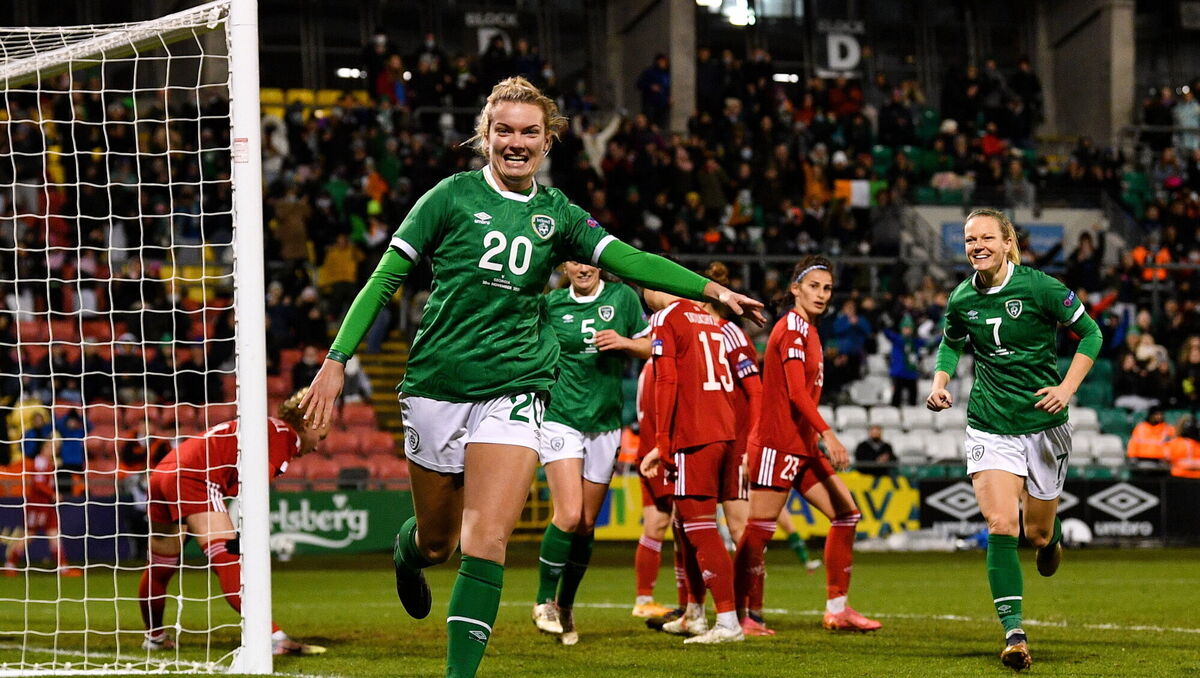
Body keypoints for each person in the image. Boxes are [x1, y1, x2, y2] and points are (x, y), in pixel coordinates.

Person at [300, 76, 763, 678]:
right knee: (440, 541)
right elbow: (383, 281)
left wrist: (713, 287)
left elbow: (629, 259)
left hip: (517, 383)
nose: (516, 142)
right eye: (505, 131)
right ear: (484, 135)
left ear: (547, 142)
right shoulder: (448, 197)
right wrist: (336, 360)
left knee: (485, 539)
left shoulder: (559, 214)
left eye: (530, 133)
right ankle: (409, 553)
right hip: (438, 383)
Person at [925, 208, 1101, 671]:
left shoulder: (1040, 287)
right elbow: (951, 340)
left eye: (986, 237)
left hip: (1044, 426)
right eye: (969, 240)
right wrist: (940, 380)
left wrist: (1066, 389)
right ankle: (1014, 634)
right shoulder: (963, 297)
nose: (977, 246)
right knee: (1002, 524)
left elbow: (1091, 334)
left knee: (1036, 533)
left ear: (1007, 243)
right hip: (988, 423)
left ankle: (1051, 535)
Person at [733, 255, 882, 636]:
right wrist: (828, 434)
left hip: (801, 446)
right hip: (777, 444)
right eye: (813, 286)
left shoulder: (811, 331)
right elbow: (798, 394)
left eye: (827, 288)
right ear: (795, 289)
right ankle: (735, 613)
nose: (821, 293)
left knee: (846, 514)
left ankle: (837, 609)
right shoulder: (792, 329)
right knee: (759, 530)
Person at [139, 389, 327, 656]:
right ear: (309, 423)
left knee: (160, 566)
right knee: (229, 559)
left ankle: (154, 637)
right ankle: (274, 637)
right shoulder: (284, 435)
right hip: (196, 478)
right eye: (322, 435)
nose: (318, 445)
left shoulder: (265, 426)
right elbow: (255, 488)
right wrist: (245, 531)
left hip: (165, 472)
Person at [531, 261, 651, 645]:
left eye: (589, 260)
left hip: (605, 423)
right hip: (560, 417)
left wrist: (625, 343)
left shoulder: (623, 298)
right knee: (566, 514)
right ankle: (542, 601)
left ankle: (565, 607)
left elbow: (654, 347)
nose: (582, 268)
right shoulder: (550, 305)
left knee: (584, 523)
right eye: (575, 260)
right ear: (565, 264)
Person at [639, 287, 744, 645]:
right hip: (722, 428)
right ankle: (695, 614)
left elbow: (666, 379)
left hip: (695, 434)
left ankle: (728, 622)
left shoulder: (666, 318)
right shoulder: (707, 317)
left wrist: (662, 442)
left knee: (699, 528)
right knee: (686, 527)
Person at [3, 439, 81, 577]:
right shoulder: (40, 461)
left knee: (54, 533)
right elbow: (38, 484)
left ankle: (63, 567)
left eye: (55, 447)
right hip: (37, 504)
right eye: (51, 446)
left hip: (46, 504)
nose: (53, 450)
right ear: (44, 447)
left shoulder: (47, 462)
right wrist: (53, 494)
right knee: (29, 534)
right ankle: (10, 563)